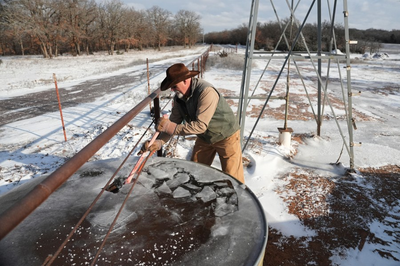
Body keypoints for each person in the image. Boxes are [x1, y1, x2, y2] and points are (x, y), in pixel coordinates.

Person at [141, 63, 245, 183]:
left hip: (226, 136)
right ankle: (200, 198)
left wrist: (169, 127)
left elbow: (199, 126)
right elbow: (173, 123)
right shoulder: (179, 99)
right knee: (195, 171)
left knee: (233, 177)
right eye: (171, 87)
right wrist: (159, 141)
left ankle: (235, 199)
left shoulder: (206, 92)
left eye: (174, 86)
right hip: (205, 137)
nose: (172, 90)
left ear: (186, 80)